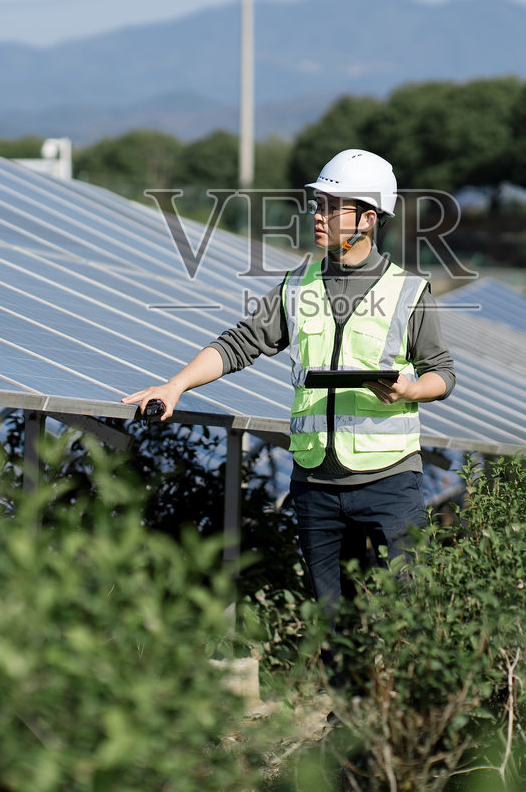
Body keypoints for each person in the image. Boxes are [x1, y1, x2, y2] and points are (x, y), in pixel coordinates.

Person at [122, 148, 455, 614]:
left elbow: (442, 371)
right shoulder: (297, 285)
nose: (318, 215)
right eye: (317, 204)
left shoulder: (408, 291)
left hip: (389, 482)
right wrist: (175, 385)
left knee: (408, 612)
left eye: (332, 208)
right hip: (315, 482)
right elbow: (241, 343)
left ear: (367, 219)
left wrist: (412, 389)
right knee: (330, 622)